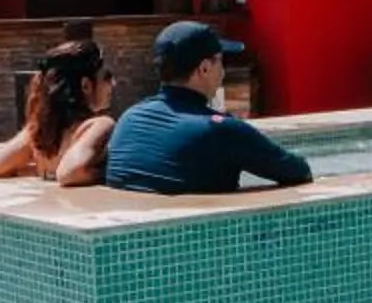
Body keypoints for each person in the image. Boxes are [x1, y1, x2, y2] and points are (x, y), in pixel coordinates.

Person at [103, 21, 313, 196]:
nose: (223, 72)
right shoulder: (221, 130)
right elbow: (297, 171)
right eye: (221, 62)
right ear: (204, 68)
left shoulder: (129, 119)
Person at [0, 39, 118, 186]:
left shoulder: (39, 132)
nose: (113, 83)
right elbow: (69, 174)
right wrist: (109, 174)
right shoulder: (98, 126)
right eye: (107, 76)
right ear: (86, 85)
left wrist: (32, 170)